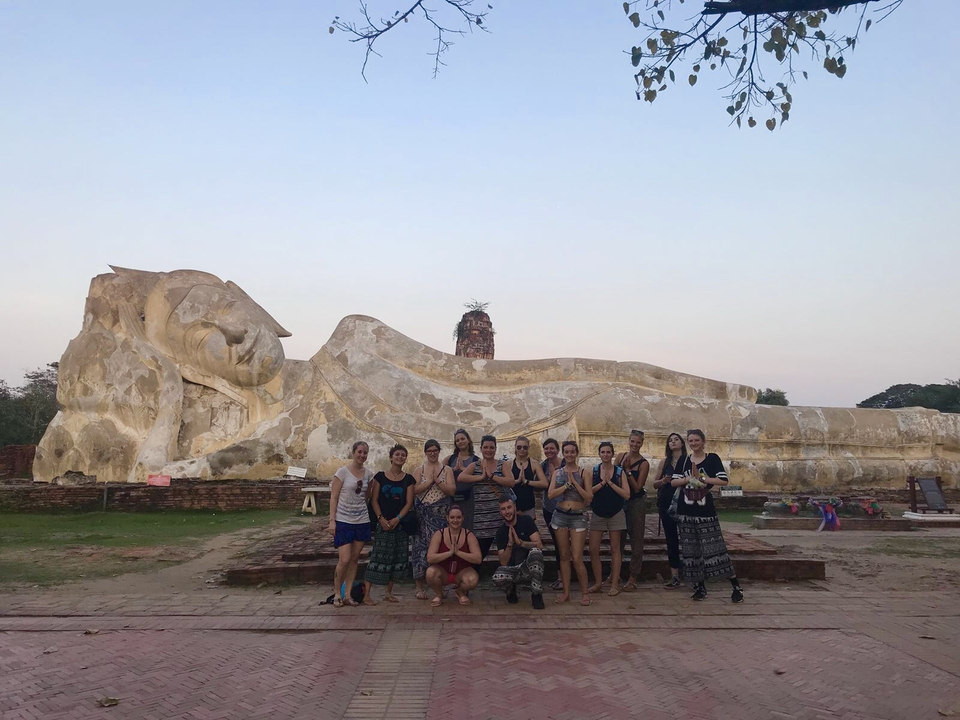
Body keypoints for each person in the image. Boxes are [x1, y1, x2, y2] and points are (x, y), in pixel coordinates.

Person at [671, 429, 744, 603]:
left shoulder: (712, 459)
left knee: (716, 550)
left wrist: (702, 478)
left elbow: (723, 480)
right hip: (686, 511)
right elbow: (673, 481)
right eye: (691, 441)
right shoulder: (684, 460)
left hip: (705, 512)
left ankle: (735, 585)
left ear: (703, 442)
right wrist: (688, 479)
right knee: (691, 552)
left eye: (696, 440)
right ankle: (700, 587)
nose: (694, 443)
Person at [363, 444, 416, 605]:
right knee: (377, 556)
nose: (400, 457)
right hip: (383, 522)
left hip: (399, 524)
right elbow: (374, 499)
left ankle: (388, 592)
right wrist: (381, 519)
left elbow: (409, 502)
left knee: (396, 558)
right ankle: (367, 594)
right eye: (397, 454)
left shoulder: (408, 479)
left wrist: (397, 518)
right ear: (391, 457)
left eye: (403, 455)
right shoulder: (380, 477)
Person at [327, 441, 374, 608]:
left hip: (361, 520)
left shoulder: (368, 474)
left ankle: (347, 594)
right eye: (359, 452)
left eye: (365, 453)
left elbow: (366, 496)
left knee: (354, 559)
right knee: (344, 559)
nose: (362, 455)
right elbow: (333, 497)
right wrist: (332, 520)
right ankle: (337, 593)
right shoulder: (342, 472)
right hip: (343, 520)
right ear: (353, 452)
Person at [547, 440, 593, 605]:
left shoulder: (584, 473)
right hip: (560, 515)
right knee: (564, 556)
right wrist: (566, 485)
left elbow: (589, 497)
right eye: (566, 452)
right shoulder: (558, 473)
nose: (569, 454)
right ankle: (566, 592)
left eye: (572, 452)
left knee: (577, 557)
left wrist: (575, 484)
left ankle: (585, 593)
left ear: (576, 453)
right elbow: (551, 494)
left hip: (578, 516)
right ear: (563, 453)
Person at [456, 435, 516, 561]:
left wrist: (492, 476)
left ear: (495, 449)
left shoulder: (502, 464)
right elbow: (461, 477)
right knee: (480, 552)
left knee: (505, 549)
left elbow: (511, 481)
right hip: (482, 517)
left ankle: (506, 573)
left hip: (501, 515)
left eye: (491, 447)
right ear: (481, 448)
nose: (489, 450)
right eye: (486, 447)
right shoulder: (475, 465)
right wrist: (481, 477)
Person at [410, 439, 456, 600]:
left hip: (441, 516)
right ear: (425, 452)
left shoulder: (447, 469)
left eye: (435, 450)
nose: (432, 453)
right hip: (422, 516)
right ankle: (419, 587)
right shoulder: (419, 470)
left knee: (441, 550)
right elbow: (413, 490)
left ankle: (439, 586)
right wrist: (429, 481)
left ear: (439, 451)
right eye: (429, 451)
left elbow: (451, 490)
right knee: (419, 550)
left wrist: (438, 481)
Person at [588, 441, 630, 596]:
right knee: (593, 549)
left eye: (608, 452)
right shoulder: (594, 471)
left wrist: (611, 483)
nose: (605, 454)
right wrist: (602, 483)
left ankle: (614, 584)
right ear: (599, 454)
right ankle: (598, 582)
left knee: (615, 549)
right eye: (603, 452)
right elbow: (588, 493)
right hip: (598, 512)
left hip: (616, 512)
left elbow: (627, 494)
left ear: (612, 454)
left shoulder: (619, 472)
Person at [492, 496, 545, 609]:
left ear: (515, 508)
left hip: (528, 567)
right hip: (513, 569)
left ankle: (536, 594)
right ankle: (511, 590)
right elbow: (503, 561)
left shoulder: (526, 520)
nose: (507, 511)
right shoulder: (500, 532)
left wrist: (520, 543)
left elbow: (539, 545)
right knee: (497, 576)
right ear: (500, 512)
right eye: (503, 509)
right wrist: (510, 544)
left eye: (509, 507)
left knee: (536, 552)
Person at [425, 504, 482, 606]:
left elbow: (478, 559)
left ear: (463, 518)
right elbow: (430, 558)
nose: (455, 520)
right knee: (430, 572)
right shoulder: (439, 534)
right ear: (447, 518)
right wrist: (449, 553)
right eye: (452, 517)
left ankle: (460, 592)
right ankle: (439, 594)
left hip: (461, 572)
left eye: (458, 517)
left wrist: (458, 553)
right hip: (443, 572)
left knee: (473, 579)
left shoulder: (469, 535)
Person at [616, 430, 650, 591]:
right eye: (633, 441)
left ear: (641, 444)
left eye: (638, 442)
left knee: (636, 539)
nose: (635, 445)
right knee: (618, 539)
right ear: (628, 441)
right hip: (620, 502)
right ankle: (615, 575)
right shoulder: (621, 457)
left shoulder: (644, 463)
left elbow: (637, 487)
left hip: (635, 502)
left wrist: (628, 471)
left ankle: (633, 576)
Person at [652, 432, 686, 588]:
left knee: (688, 538)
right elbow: (654, 484)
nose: (673, 442)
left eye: (676, 439)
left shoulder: (688, 461)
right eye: (670, 440)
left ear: (682, 443)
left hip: (685, 502)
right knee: (671, 539)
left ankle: (692, 573)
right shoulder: (664, 462)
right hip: (667, 502)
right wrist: (663, 481)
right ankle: (674, 575)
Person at [502, 436, 549, 519]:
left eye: (525, 447)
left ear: (528, 448)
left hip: (529, 505)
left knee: (529, 530)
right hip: (512, 506)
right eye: (519, 447)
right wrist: (517, 481)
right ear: (515, 448)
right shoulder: (508, 464)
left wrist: (527, 481)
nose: (522, 450)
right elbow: (504, 484)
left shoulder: (534, 464)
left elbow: (544, 483)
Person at [540, 438, 564, 590]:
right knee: (557, 543)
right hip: (549, 508)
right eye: (546, 449)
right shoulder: (542, 466)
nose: (549, 451)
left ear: (557, 449)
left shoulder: (565, 464)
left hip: (565, 508)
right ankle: (560, 576)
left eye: (552, 448)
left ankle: (565, 577)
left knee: (565, 544)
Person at [443, 429, 479, 530]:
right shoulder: (449, 459)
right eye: (457, 440)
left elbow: (480, 477)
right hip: (452, 499)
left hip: (469, 499)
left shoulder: (476, 460)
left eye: (462, 438)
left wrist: (464, 470)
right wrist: (452, 470)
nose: (460, 441)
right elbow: (440, 474)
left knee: (468, 527)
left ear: (468, 440)